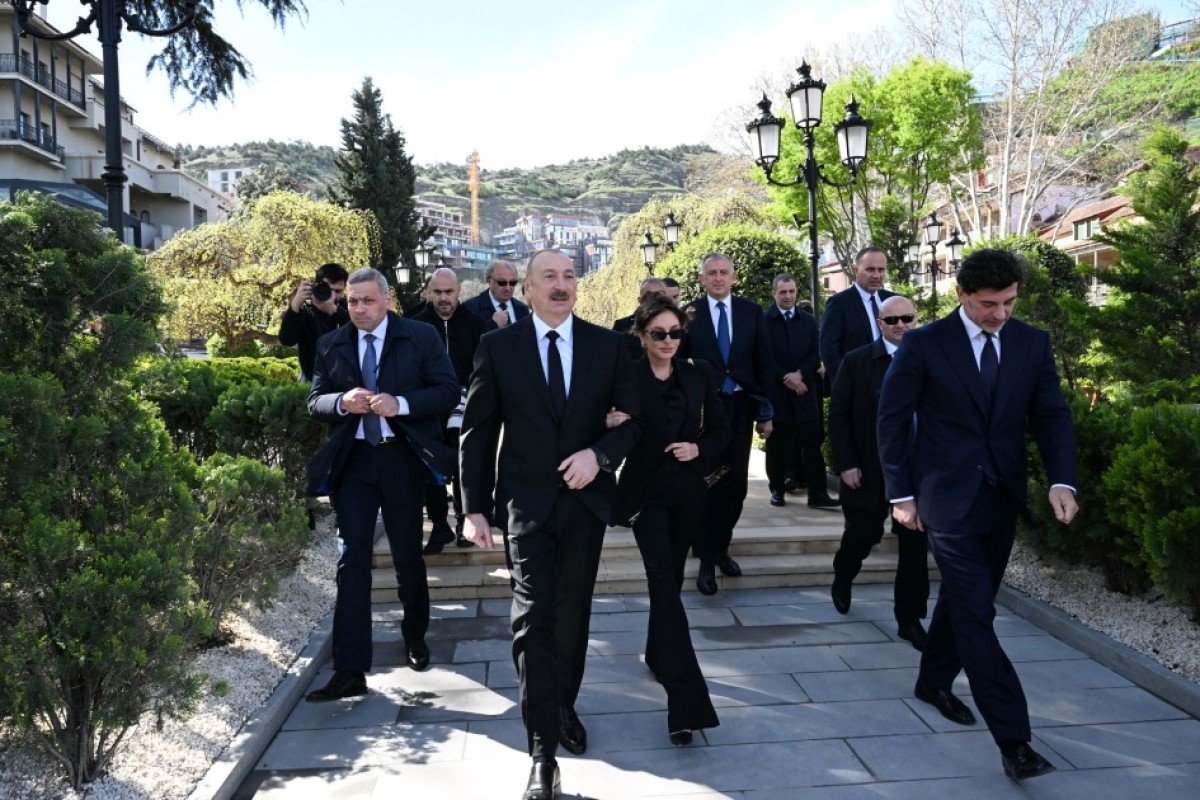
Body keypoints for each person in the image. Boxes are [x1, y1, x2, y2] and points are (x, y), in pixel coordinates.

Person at [877, 248, 1078, 781]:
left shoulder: (1031, 343)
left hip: (1002, 498)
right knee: (976, 615)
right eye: (989, 304)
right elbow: (892, 423)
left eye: (1009, 302)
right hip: (944, 500)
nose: (1000, 314)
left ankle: (932, 679)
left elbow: (1052, 415)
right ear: (963, 295)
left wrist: (1062, 479)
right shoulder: (923, 344)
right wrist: (901, 495)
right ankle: (1014, 741)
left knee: (968, 602)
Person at [459, 250, 641, 800]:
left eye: (568, 277)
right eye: (549, 278)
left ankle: (563, 703)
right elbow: (477, 431)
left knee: (571, 616)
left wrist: (599, 456)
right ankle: (541, 752)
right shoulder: (498, 346)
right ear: (527, 290)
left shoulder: (608, 346)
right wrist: (473, 507)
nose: (561, 286)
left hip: (584, 508)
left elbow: (632, 422)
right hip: (526, 507)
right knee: (533, 618)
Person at [304, 268, 460, 702]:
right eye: (352, 301)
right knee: (351, 560)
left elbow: (448, 390)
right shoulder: (330, 344)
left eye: (367, 301)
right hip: (353, 465)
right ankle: (350, 668)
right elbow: (314, 402)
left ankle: (415, 637)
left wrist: (401, 404)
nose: (358, 309)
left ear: (387, 300)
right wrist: (340, 402)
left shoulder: (420, 336)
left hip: (402, 459)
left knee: (407, 554)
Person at [607, 294, 727, 745]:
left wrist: (699, 449)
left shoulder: (698, 375)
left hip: (689, 493)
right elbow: (600, 428)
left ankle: (658, 653)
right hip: (645, 497)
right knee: (663, 583)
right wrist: (611, 420)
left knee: (672, 581)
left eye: (675, 332)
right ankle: (685, 702)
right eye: (658, 333)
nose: (668, 340)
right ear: (641, 335)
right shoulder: (627, 379)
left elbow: (722, 432)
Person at [828, 295, 929, 649]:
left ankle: (910, 618)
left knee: (915, 547)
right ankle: (844, 574)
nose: (901, 325)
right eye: (892, 320)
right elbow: (838, 415)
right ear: (879, 323)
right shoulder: (857, 362)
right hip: (869, 467)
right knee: (863, 534)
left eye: (907, 318)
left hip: (916, 471)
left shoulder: (929, 359)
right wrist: (846, 463)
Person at [678, 253, 774, 596]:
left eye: (724, 273)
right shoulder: (689, 314)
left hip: (741, 408)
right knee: (709, 482)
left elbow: (764, 361)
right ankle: (705, 558)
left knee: (736, 486)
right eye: (712, 273)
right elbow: (678, 365)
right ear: (702, 279)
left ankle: (721, 548)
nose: (718, 278)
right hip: (706, 413)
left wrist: (767, 412)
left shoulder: (751, 311)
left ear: (734, 277)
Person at [411, 268, 487, 552]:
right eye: (438, 292)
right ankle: (439, 526)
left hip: (466, 406)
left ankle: (463, 522)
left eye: (449, 292)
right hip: (427, 407)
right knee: (430, 466)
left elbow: (486, 367)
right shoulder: (415, 325)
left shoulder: (476, 324)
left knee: (462, 465)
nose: (444, 298)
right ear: (429, 293)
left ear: (458, 293)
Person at [763, 273, 839, 510]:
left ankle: (818, 494)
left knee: (812, 445)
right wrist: (787, 377)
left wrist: (800, 374)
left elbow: (816, 352)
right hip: (778, 394)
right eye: (783, 292)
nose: (788, 296)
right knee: (776, 446)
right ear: (774, 293)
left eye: (792, 291)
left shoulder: (808, 321)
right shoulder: (764, 321)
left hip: (805, 393)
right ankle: (777, 490)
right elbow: (763, 356)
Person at [819, 247, 895, 385]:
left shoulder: (893, 300)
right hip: (857, 385)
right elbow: (828, 348)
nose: (877, 275)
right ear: (856, 271)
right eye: (870, 269)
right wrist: (844, 382)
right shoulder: (838, 303)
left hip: (892, 381)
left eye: (881, 270)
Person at [279, 262, 349, 381]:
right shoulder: (305, 310)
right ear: (316, 285)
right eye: (328, 289)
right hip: (312, 380)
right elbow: (286, 340)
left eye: (338, 291)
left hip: (344, 379)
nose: (332, 296)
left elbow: (359, 332)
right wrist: (295, 304)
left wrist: (334, 310)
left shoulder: (345, 308)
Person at [462, 259, 530, 331]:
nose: (508, 288)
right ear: (488, 280)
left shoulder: (523, 309)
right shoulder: (470, 308)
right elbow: (465, 340)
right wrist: (493, 324)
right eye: (502, 282)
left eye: (512, 282)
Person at [613, 277, 668, 359]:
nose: (655, 300)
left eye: (660, 295)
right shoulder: (622, 326)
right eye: (649, 296)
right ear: (640, 300)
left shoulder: (677, 325)